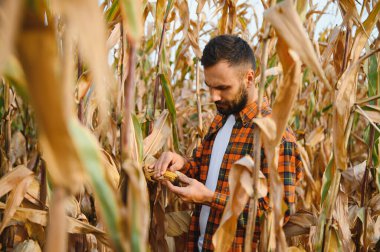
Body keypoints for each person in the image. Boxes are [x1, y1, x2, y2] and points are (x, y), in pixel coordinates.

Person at [153, 35, 303, 251]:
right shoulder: (221, 119)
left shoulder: (275, 137)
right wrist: (180, 164)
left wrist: (210, 199)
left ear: (249, 78)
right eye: (209, 87)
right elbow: (202, 169)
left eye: (222, 87)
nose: (214, 97)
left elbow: (275, 218)